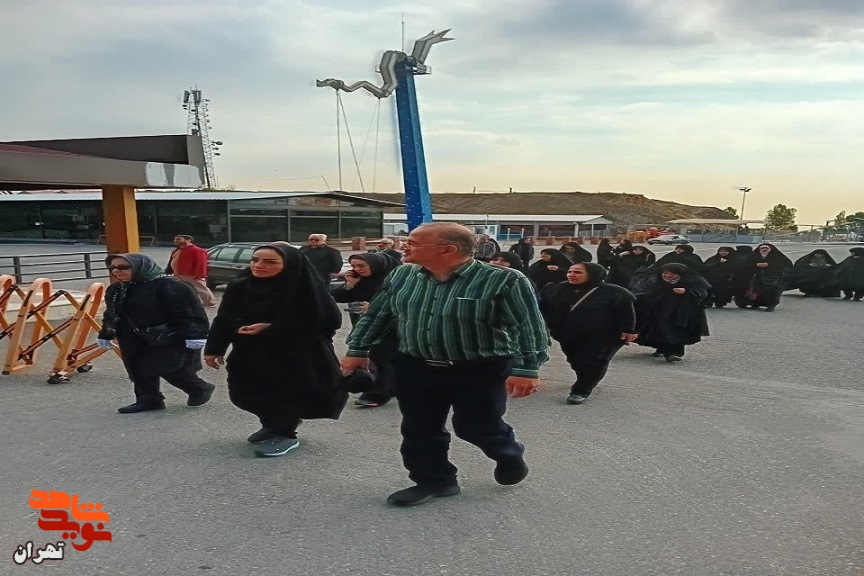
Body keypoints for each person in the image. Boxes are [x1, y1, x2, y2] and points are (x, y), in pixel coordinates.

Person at [340, 222, 550, 507]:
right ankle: (435, 481)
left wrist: (526, 369)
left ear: (448, 250)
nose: (404, 246)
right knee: (418, 429)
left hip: (479, 368)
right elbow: (379, 315)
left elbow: (528, 327)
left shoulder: (504, 280)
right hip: (416, 366)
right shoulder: (402, 274)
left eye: (414, 242)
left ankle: (508, 453)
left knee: (476, 426)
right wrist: (357, 349)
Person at [203, 245, 345, 457]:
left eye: (270, 262)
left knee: (284, 393)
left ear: (288, 265)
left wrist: (271, 327)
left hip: (294, 354)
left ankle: (285, 432)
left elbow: (326, 321)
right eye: (255, 260)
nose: (259, 265)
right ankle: (271, 424)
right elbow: (224, 318)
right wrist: (215, 348)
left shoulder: (303, 288)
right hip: (249, 350)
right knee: (246, 392)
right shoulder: (240, 286)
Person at [96, 254, 215, 413]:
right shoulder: (117, 289)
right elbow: (112, 313)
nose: (117, 271)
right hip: (131, 337)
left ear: (140, 267)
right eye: (112, 267)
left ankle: (199, 388)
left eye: (123, 267)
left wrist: (196, 334)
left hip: (166, 335)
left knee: (169, 367)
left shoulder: (170, 285)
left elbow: (190, 312)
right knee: (138, 369)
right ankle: (148, 400)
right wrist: (106, 333)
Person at [539, 263, 637, 405]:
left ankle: (581, 390)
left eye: (577, 272)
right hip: (568, 334)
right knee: (575, 360)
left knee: (594, 362)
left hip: (604, 336)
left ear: (592, 274)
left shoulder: (615, 292)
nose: (571, 275)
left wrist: (629, 330)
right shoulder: (557, 288)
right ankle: (585, 378)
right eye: (570, 271)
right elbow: (544, 307)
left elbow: (627, 313)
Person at [331, 253, 399, 408]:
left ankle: (375, 394)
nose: (357, 269)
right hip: (364, 325)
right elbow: (335, 296)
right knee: (383, 358)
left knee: (379, 357)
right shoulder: (361, 281)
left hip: (388, 326)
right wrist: (350, 285)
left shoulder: (392, 280)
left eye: (361, 266)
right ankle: (391, 388)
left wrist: (373, 306)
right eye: (354, 266)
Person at [631, 263, 710, 362]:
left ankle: (673, 353)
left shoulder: (692, 281)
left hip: (681, 314)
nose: (668, 276)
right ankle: (662, 348)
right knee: (660, 330)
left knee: (677, 332)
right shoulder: (653, 281)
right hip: (659, 312)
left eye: (673, 274)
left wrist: (686, 292)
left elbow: (702, 295)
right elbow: (639, 293)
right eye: (665, 273)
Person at [733, 243, 793, 311]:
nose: (764, 249)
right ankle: (755, 304)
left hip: (772, 278)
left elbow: (785, 265)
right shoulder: (754, 255)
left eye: (766, 248)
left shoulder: (777, 256)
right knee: (755, 292)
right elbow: (747, 264)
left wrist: (769, 265)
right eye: (762, 248)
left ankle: (771, 306)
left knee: (771, 293)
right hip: (756, 278)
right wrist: (755, 265)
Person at [165, 235, 217, 308]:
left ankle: (210, 303)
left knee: (201, 289)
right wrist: (169, 270)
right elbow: (171, 261)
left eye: (179, 239)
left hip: (191, 274)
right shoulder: (177, 250)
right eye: (175, 239)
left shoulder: (198, 250)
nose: (176, 241)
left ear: (188, 240)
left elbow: (201, 263)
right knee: (180, 288)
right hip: (178, 274)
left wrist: (199, 274)